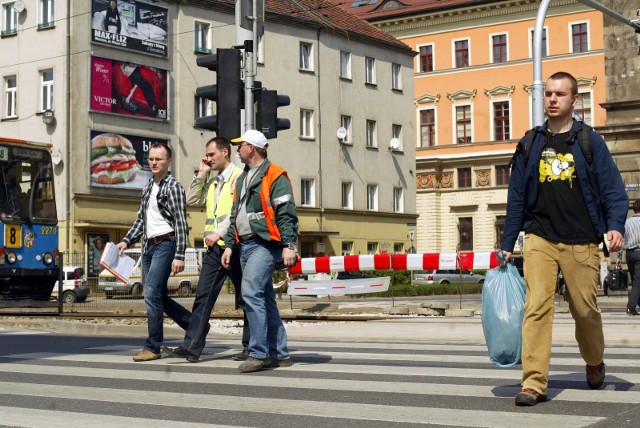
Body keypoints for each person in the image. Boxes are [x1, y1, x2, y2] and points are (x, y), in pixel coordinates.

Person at [500, 71, 628, 406]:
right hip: (540, 237)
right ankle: (533, 382)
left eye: (560, 94)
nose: (553, 99)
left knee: (585, 310)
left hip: (582, 240)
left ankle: (595, 360)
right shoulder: (530, 142)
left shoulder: (589, 142)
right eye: (549, 94)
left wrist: (614, 225)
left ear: (574, 100)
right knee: (537, 307)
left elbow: (614, 190)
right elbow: (516, 197)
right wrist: (506, 243)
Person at [161, 137, 249, 362]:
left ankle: (251, 346)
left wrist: (220, 233)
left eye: (211, 155)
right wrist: (201, 173)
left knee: (247, 299)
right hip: (214, 250)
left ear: (225, 153)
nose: (207, 159)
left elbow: (237, 213)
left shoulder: (239, 178)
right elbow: (190, 200)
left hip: (236, 246)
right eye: (206, 156)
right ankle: (191, 347)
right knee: (202, 297)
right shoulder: (213, 182)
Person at [221, 130, 298, 373]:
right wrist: (229, 246)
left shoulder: (275, 175)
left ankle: (259, 353)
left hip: (266, 244)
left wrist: (289, 245)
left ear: (252, 148)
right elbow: (235, 214)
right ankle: (279, 353)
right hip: (245, 244)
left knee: (250, 292)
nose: (237, 149)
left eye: (240, 145)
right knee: (264, 298)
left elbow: (286, 213)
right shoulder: (242, 179)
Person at [117, 143, 192, 362]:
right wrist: (125, 241)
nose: (154, 163)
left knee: (150, 293)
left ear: (169, 162)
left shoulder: (174, 187)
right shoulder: (148, 186)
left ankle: (153, 346)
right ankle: (194, 325)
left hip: (166, 244)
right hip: (148, 246)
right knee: (156, 295)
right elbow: (141, 220)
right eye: (151, 159)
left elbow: (180, 222)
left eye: (159, 159)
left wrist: (179, 255)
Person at [624, 200, 640, 315]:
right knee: (637, 282)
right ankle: (631, 307)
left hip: (629, 253)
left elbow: (621, 239)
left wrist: (619, 258)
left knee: (635, 280)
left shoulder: (627, 222)